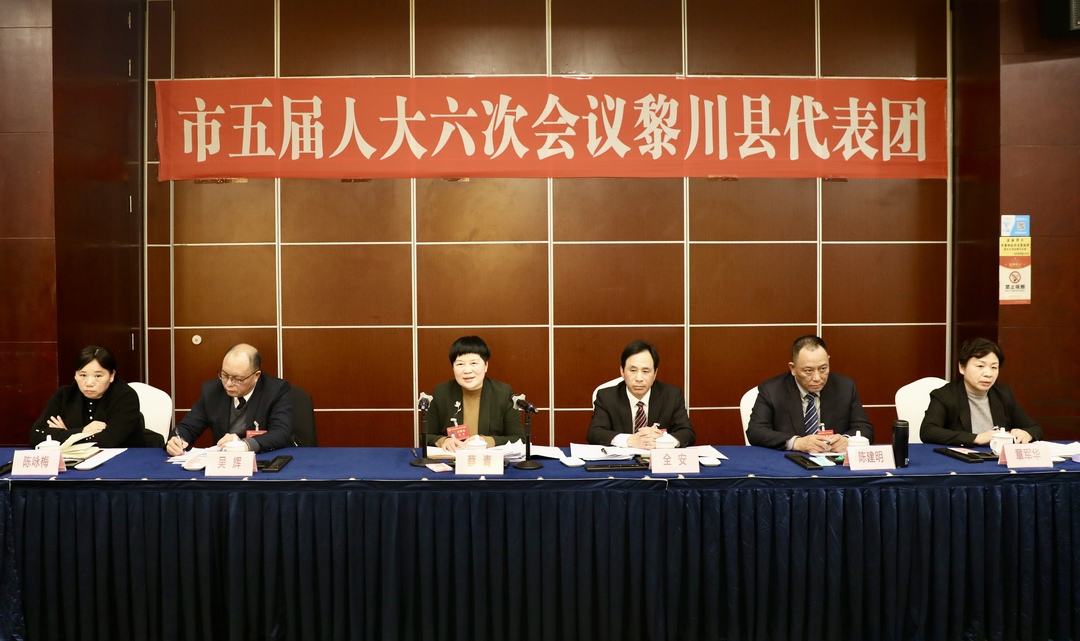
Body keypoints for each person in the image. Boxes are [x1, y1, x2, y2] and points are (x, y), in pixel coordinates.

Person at [746, 334, 873, 453]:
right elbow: (755, 432)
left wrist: (846, 440)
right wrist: (797, 443)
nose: (817, 378)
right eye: (808, 371)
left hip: (833, 461)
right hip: (789, 461)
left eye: (823, 368)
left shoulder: (845, 387)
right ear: (793, 368)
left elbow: (865, 428)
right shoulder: (772, 390)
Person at [166, 343, 293, 455]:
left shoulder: (275, 390)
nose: (228, 384)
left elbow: (281, 432)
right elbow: (189, 426)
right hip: (223, 464)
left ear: (256, 376)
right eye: (224, 375)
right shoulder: (212, 391)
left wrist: (245, 444)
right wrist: (177, 440)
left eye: (238, 379)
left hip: (263, 460)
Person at [920, 337, 1042, 446]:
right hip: (960, 460)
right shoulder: (945, 395)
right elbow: (928, 431)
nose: (988, 374)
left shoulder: (1003, 394)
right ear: (962, 368)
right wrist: (976, 438)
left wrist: (1026, 434)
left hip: (997, 458)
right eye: (980, 366)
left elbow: (1034, 428)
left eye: (994, 367)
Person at [30, 345, 155, 448]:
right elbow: (36, 436)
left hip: (124, 461)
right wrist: (81, 431)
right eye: (83, 375)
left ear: (112, 375)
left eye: (98, 376)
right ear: (75, 375)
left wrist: (63, 435)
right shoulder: (64, 395)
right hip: (75, 462)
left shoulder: (125, 397)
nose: (89, 383)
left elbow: (109, 441)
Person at [586, 340, 695, 449]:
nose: (639, 378)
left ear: (655, 373)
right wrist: (629, 440)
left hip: (658, 458)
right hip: (623, 459)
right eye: (633, 370)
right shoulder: (606, 397)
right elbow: (595, 433)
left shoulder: (672, 396)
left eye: (645, 371)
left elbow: (687, 433)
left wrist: (663, 440)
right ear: (622, 371)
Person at [423, 335, 524, 452]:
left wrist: (486, 441)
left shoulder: (502, 393)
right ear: (453, 368)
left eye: (474, 363)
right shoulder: (442, 392)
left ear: (486, 366)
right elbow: (425, 436)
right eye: (460, 364)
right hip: (454, 459)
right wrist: (444, 441)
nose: (467, 370)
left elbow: (519, 439)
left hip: (488, 460)